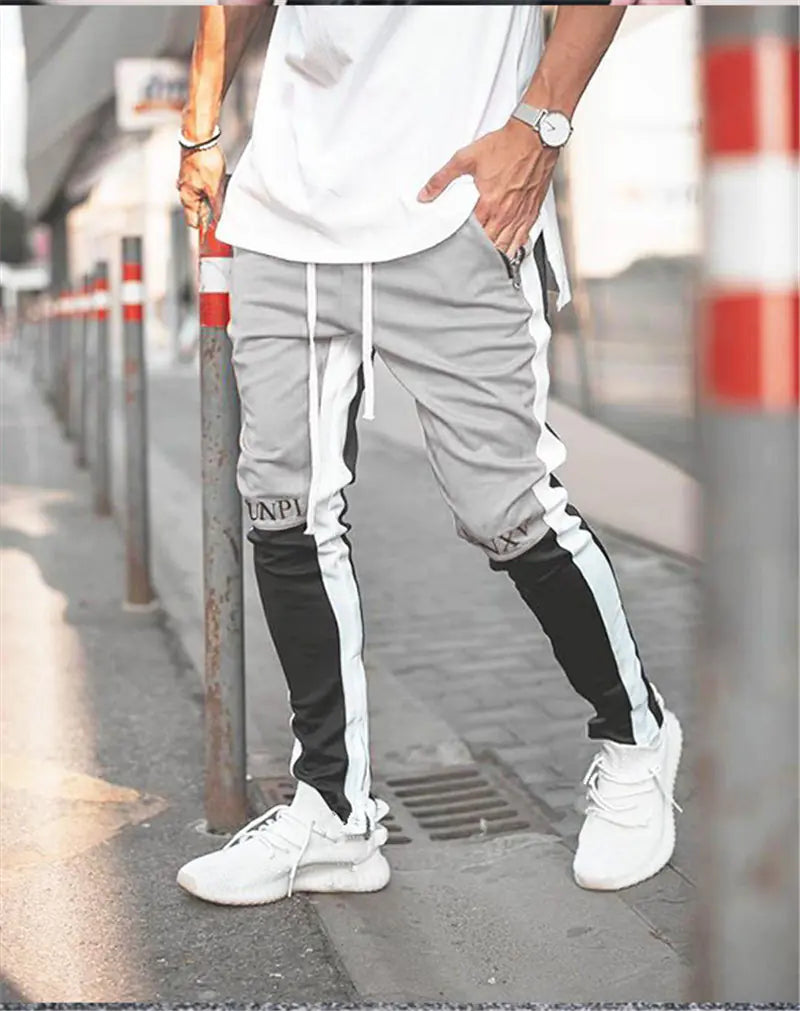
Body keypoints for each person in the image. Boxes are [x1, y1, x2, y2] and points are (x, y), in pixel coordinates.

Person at [175, 4, 682, 906]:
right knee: (284, 512)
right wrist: (199, 127)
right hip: (285, 214)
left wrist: (540, 128)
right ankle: (333, 814)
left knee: (509, 513)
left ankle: (636, 737)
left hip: (452, 206)